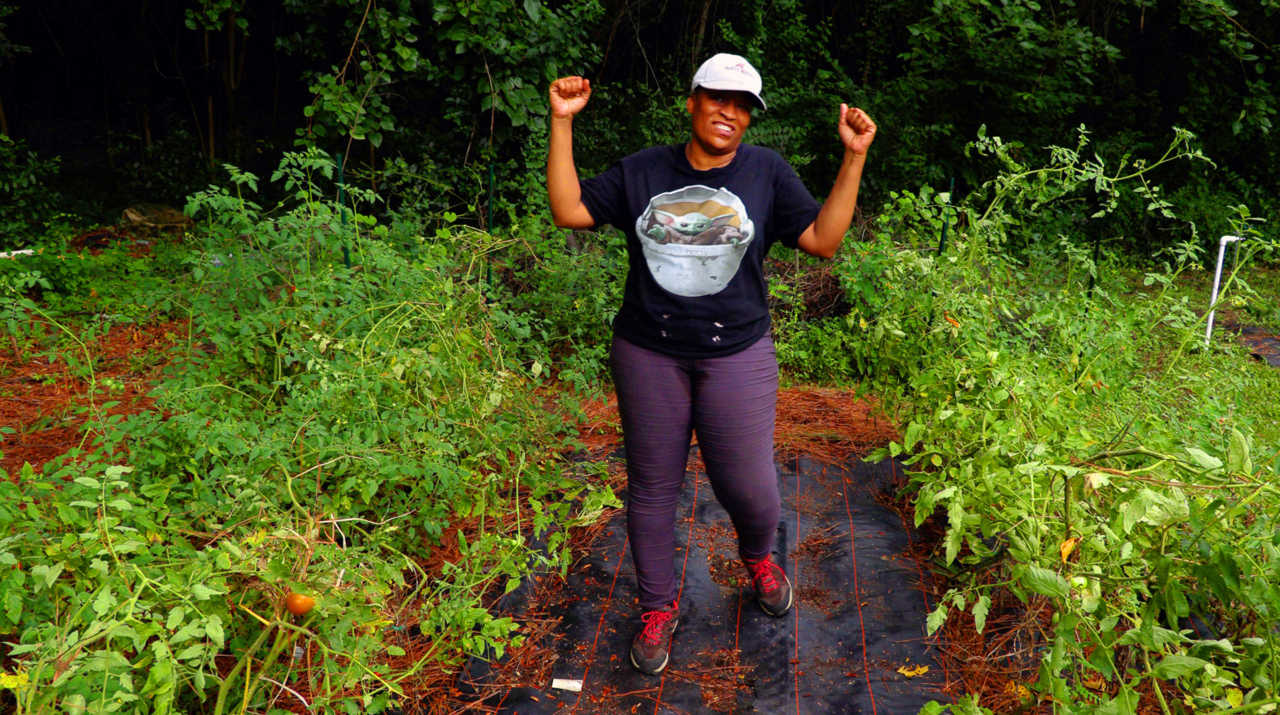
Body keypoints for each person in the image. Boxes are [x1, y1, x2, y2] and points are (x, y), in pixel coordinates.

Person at [545, 53, 876, 676]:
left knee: (748, 485)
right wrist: (562, 122)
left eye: (744, 104)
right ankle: (657, 607)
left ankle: (758, 557)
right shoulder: (644, 170)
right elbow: (570, 210)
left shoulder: (767, 173)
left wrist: (853, 156)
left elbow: (822, 242)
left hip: (738, 353)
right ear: (692, 100)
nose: (730, 112)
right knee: (652, 488)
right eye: (719, 98)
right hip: (648, 351)